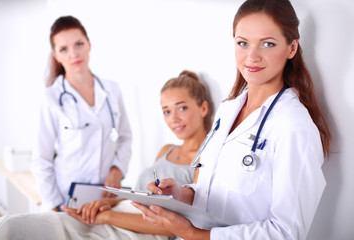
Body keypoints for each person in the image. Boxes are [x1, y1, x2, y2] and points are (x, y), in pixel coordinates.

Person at [132, 0, 331, 239]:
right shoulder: (227, 111)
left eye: (268, 44)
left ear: (291, 48)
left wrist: (194, 234)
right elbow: (213, 191)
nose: (252, 56)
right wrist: (179, 194)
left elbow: (288, 231)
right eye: (243, 43)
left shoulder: (294, 126)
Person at [0, 70, 213, 240]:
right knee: (16, 227)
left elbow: (177, 225)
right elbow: (140, 197)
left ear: (203, 108)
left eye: (182, 108)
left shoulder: (205, 160)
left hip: (138, 232)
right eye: (166, 111)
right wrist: (110, 203)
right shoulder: (167, 150)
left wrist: (106, 216)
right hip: (117, 214)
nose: (173, 118)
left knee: (25, 231)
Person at [31, 15, 132, 211]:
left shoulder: (112, 90)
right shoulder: (52, 98)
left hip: (105, 197)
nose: (74, 54)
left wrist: (117, 170)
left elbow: (125, 138)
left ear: (89, 45)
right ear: (56, 56)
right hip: (65, 199)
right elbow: (41, 160)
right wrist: (55, 206)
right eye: (63, 49)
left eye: (79, 44)